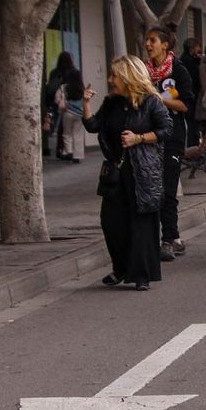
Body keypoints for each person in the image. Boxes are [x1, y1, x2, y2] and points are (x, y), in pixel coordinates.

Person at [83, 57, 169, 291]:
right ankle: (120, 267)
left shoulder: (151, 102)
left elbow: (165, 129)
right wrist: (86, 103)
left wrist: (139, 138)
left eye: (115, 76)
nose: (111, 80)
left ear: (128, 77)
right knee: (111, 222)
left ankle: (141, 275)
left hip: (142, 171)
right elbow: (93, 126)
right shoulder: (111, 103)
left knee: (141, 224)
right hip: (116, 171)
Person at [144, 28, 194, 261]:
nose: (148, 44)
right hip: (147, 136)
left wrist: (160, 99)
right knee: (150, 188)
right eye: (146, 40)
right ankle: (152, 237)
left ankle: (169, 238)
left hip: (171, 137)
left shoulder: (178, 70)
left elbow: (185, 105)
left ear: (165, 45)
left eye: (152, 40)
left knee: (167, 187)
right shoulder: (143, 72)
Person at [52, 55, 87, 162]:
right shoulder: (81, 89)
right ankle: (78, 156)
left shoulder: (64, 87)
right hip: (79, 112)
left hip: (67, 112)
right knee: (78, 134)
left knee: (67, 133)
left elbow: (57, 98)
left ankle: (69, 152)